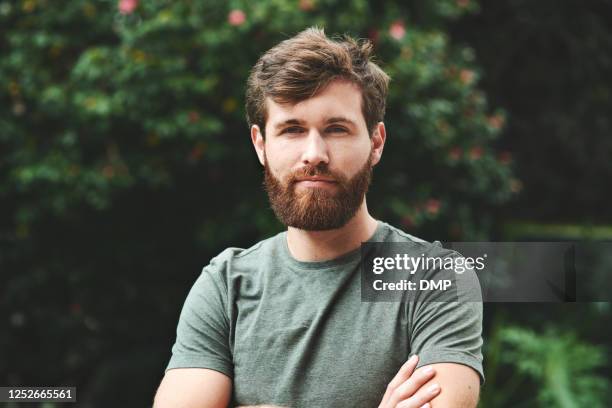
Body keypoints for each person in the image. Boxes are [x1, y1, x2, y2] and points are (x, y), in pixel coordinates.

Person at [153, 27, 484, 408]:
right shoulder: (226, 285)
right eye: (292, 129)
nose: (314, 154)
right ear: (261, 145)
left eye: (336, 129)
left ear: (376, 143)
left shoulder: (436, 278)